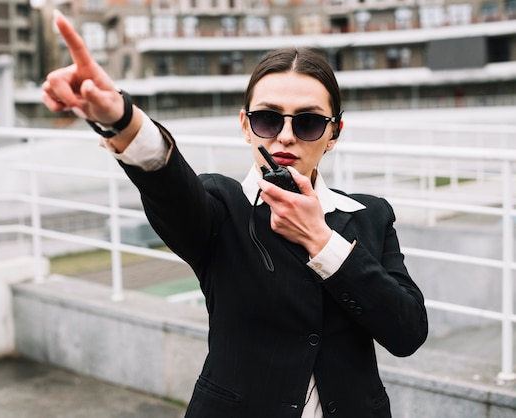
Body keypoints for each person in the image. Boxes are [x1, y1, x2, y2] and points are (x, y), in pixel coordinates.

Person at [42, 11, 428, 418]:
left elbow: (407, 332)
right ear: (246, 125)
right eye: (267, 118)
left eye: (310, 122)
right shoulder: (220, 206)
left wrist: (322, 241)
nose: (285, 135)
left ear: (334, 133)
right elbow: (168, 184)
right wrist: (121, 119)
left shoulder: (369, 215)